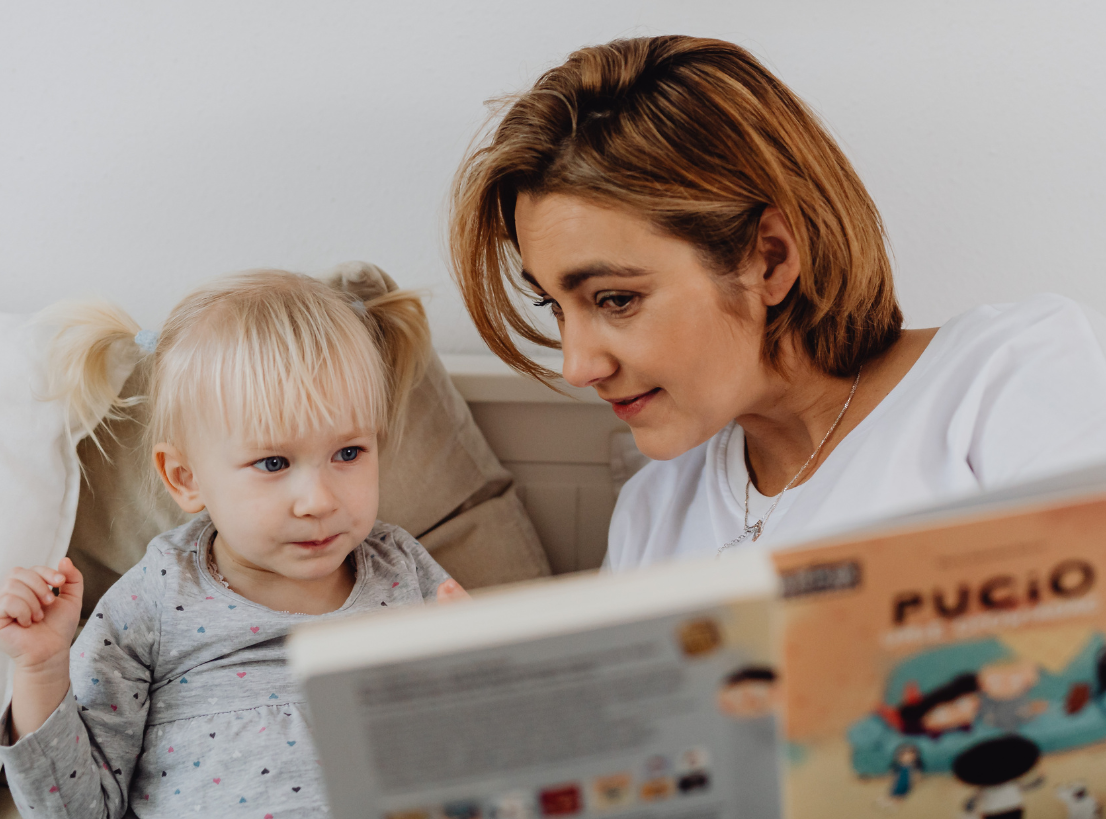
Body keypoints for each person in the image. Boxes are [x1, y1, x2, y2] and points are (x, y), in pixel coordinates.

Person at [447, 34, 1106, 569]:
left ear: (771, 258)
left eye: (615, 299)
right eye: (554, 307)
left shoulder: (1007, 380)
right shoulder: (653, 514)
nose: (578, 366)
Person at [0, 270, 467, 819]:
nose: (319, 500)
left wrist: (476, 669)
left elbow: (480, 763)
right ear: (185, 479)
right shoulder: (155, 601)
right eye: (271, 462)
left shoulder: (404, 572)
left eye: (348, 452)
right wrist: (40, 671)